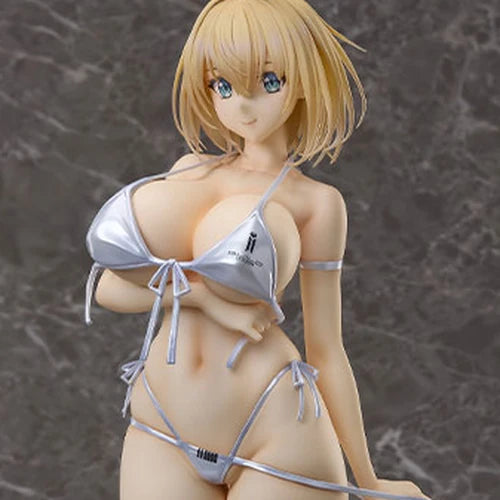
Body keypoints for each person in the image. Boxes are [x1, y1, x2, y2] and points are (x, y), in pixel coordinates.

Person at [84, 0, 431, 498]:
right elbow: (108, 290)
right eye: (222, 86)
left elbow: (327, 349)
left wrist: (369, 477)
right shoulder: (189, 169)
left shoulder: (318, 204)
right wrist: (205, 300)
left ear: (303, 80)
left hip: (273, 426)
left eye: (269, 81)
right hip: (161, 422)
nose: (242, 105)